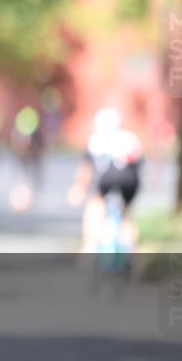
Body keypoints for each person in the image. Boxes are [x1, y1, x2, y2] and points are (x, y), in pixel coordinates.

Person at [68, 106, 143, 253]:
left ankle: (90, 245)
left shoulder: (96, 139)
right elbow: (139, 163)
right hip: (130, 178)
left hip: (108, 176)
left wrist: (79, 188)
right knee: (126, 215)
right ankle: (131, 249)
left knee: (95, 206)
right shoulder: (130, 138)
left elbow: (86, 170)